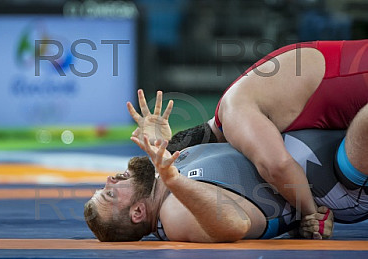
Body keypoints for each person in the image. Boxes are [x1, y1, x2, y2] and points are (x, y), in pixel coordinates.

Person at [126, 40, 368, 238]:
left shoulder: (234, 113)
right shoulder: (234, 102)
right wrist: (162, 146)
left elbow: (277, 166)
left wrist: (310, 215)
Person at [85, 126, 368, 242]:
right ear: (137, 213)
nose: (110, 179)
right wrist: (173, 180)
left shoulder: (170, 170)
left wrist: (169, 141)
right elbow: (236, 224)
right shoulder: (174, 216)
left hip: (327, 139)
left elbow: (227, 130)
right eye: (109, 194)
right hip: (343, 178)